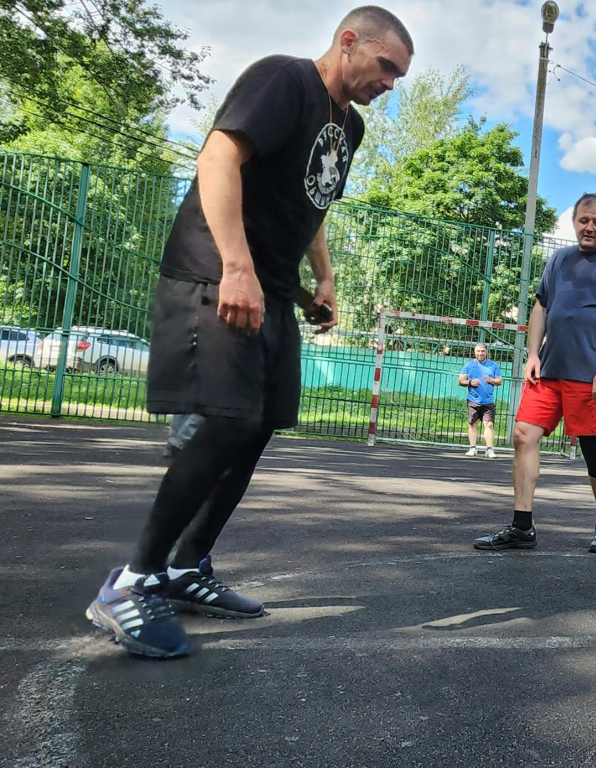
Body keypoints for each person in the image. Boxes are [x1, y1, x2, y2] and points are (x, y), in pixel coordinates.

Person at [85, 6, 413, 659]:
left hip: (270, 288)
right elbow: (217, 158)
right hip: (215, 273)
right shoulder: (282, 81)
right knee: (230, 419)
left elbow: (314, 201)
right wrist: (235, 266)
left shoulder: (350, 124)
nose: (391, 84)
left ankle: (185, 569)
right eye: (386, 67)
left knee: (258, 423)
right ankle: (131, 582)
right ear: (348, 42)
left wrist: (323, 279)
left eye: (400, 76)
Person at [473, 193, 596, 554]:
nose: (590, 227)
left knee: (594, 454)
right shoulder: (559, 260)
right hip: (548, 371)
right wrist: (533, 354)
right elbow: (541, 307)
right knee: (522, 435)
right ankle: (522, 526)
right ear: (575, 222)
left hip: (592, 375)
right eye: (584, 220)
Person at [459, 343, 502, 459]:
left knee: (489, 424)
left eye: (482, 351)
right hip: (473, 399)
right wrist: (469, 382)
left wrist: (491, 380)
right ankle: (472, 448)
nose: (480, 353)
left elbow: (499, 381)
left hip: (488, 400)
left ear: (486, 352)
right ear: (474, 352)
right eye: (478, 351)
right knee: (473, 423)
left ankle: (489, 449)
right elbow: (461, 380)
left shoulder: (493, 366)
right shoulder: (468, 365)